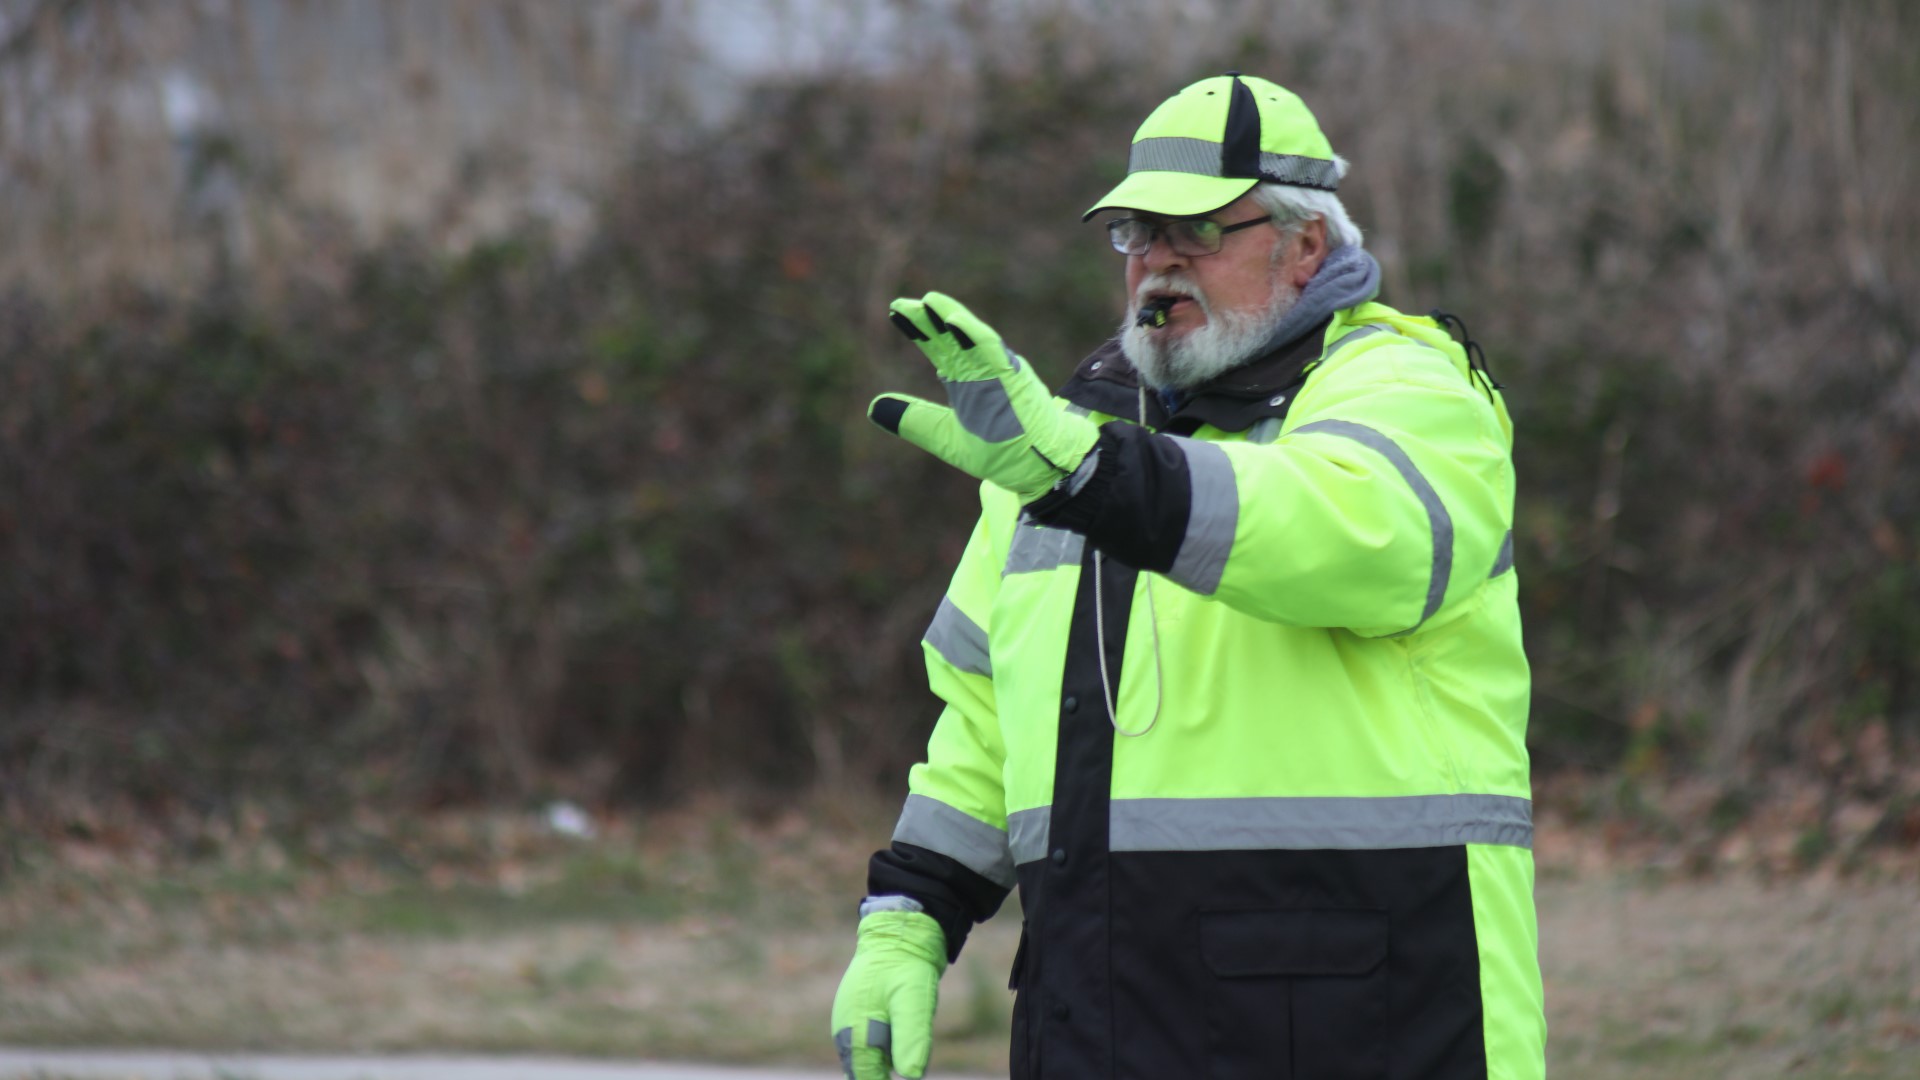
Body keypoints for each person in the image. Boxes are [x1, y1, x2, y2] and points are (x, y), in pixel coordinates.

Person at [830, 72, 1545, 1080]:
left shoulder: (1408, 386)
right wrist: (909, 916)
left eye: (1197, 231)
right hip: (1098, 1020)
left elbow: (1337, 531)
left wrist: (1088, 473)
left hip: (1366, 1025)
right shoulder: (1061, 438)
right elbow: (988, 714)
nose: (1157, 260)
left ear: (1306, 246)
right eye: (1135, 234)